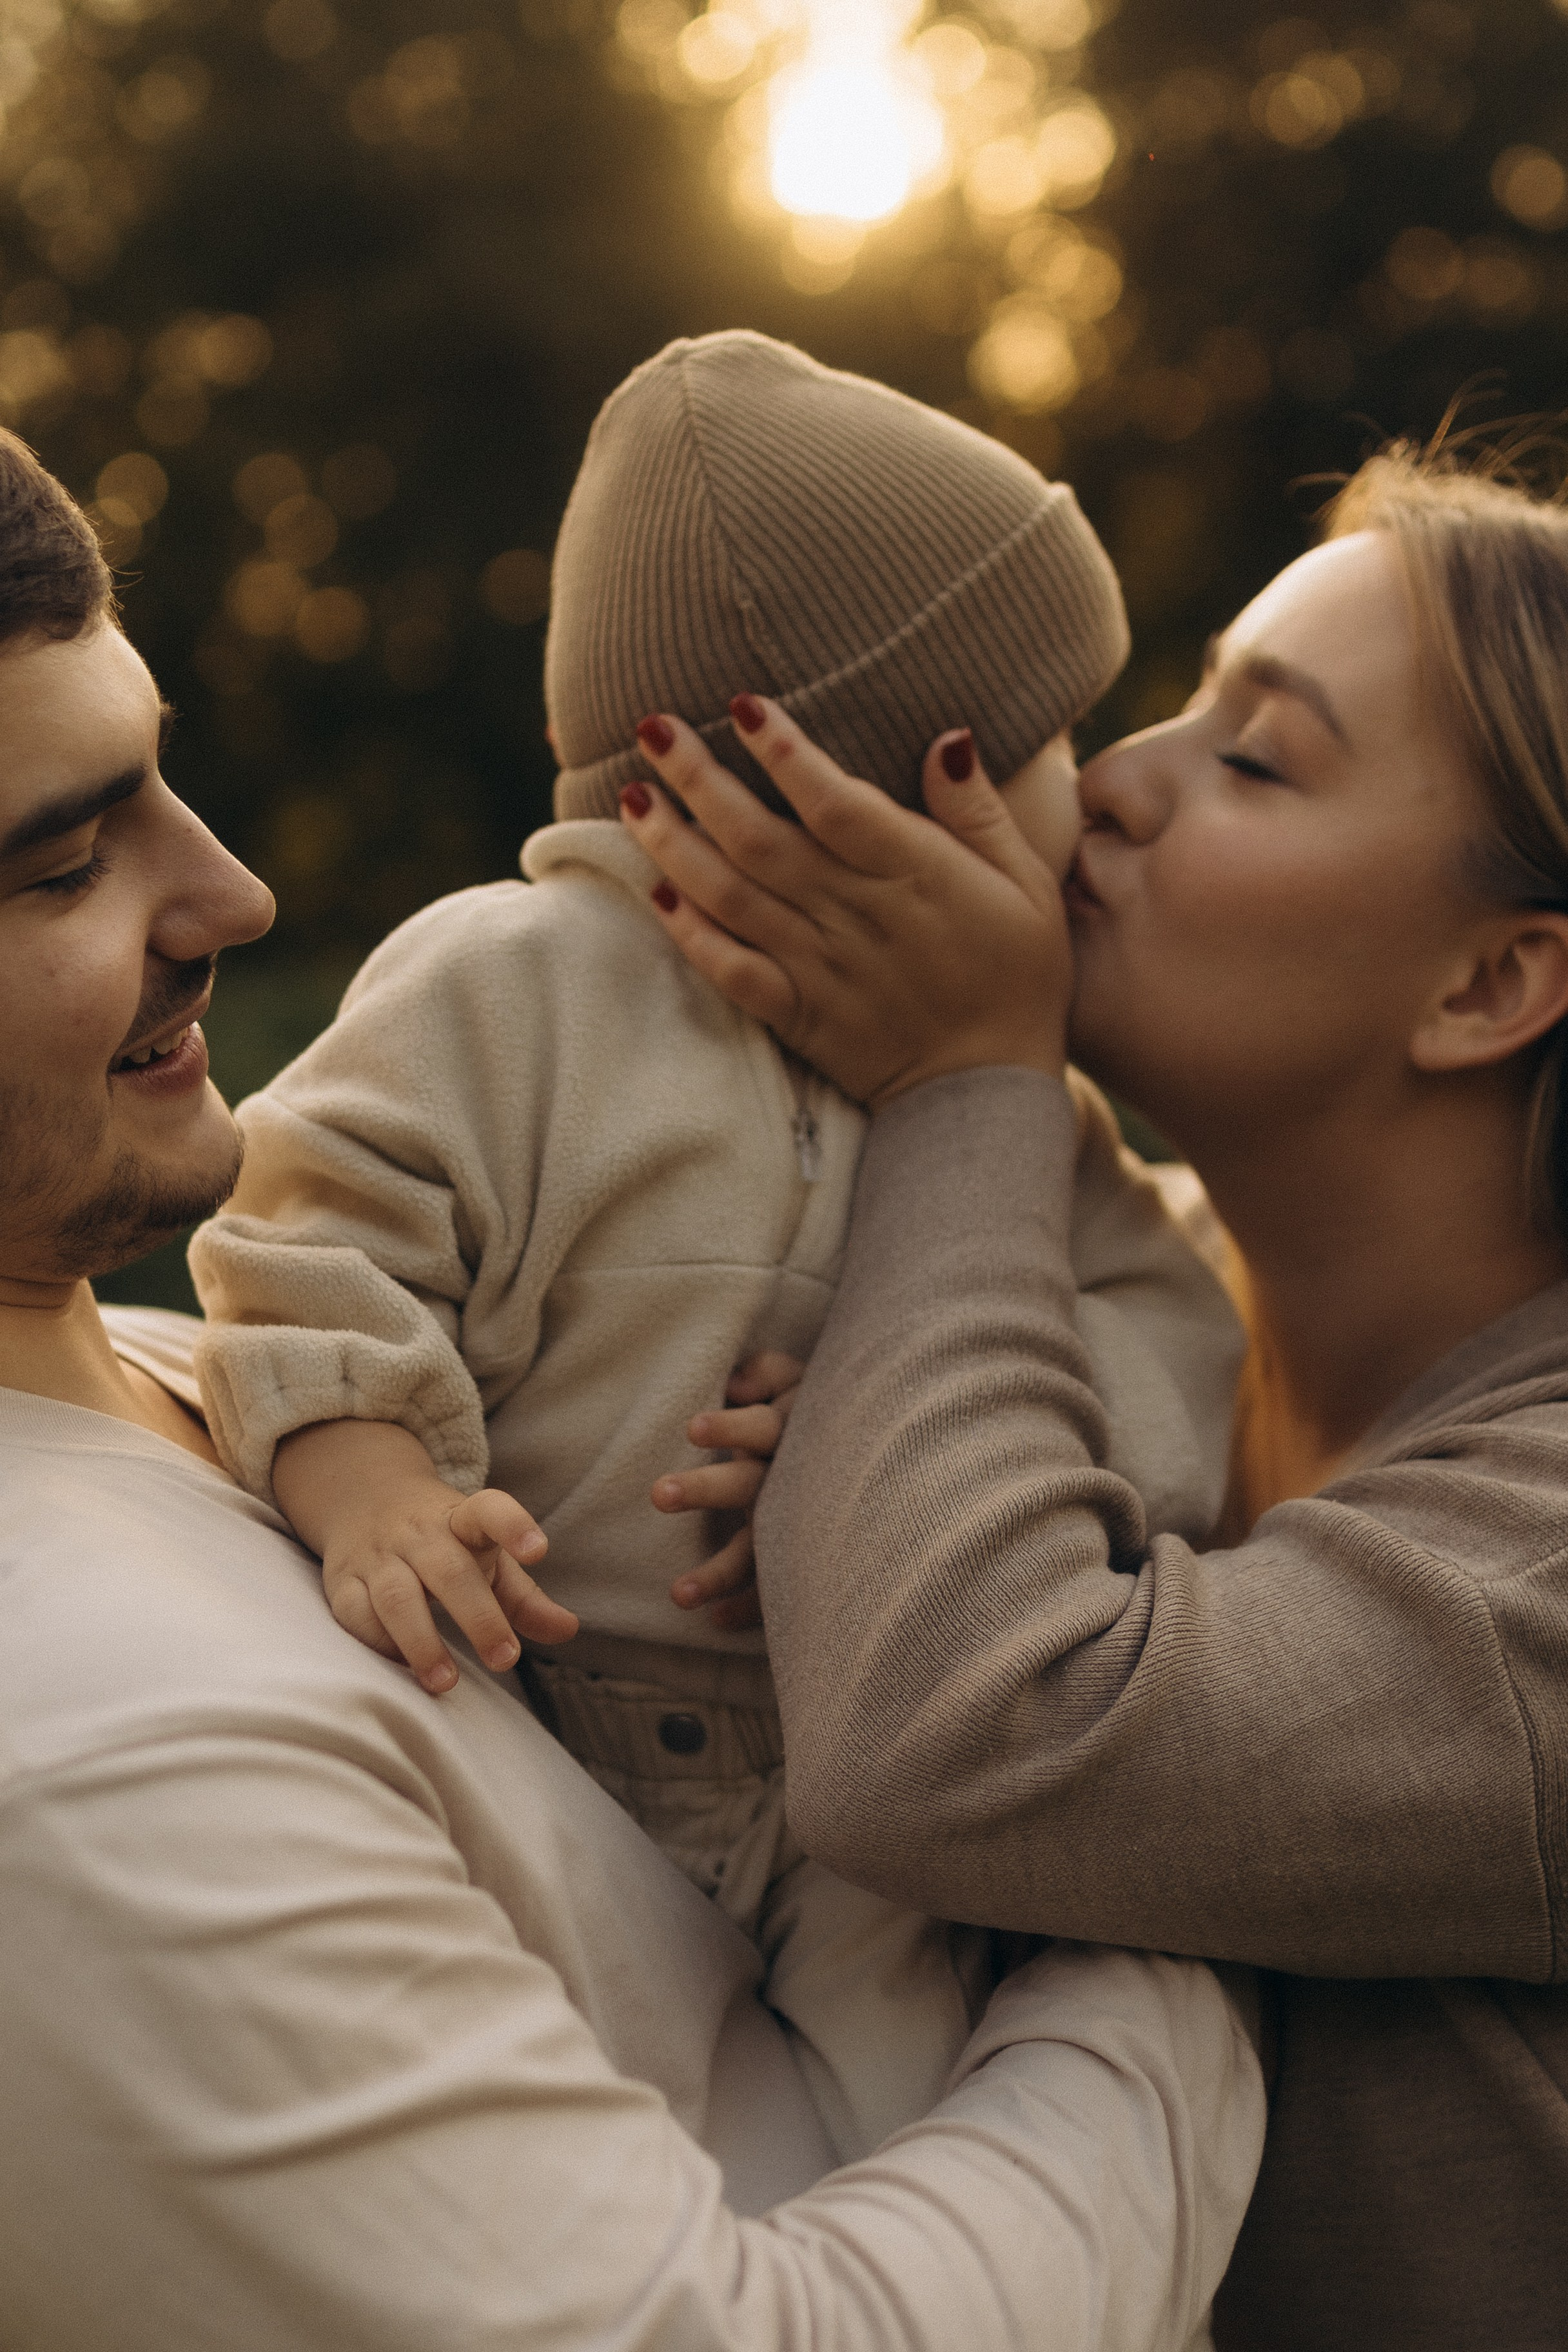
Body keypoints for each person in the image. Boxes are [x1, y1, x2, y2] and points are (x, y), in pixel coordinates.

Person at [0, 427, 1273, 2347]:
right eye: (61, 863)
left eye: (163, 785)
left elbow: (1145, 1303)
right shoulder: (81, 1760)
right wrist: (1197, 1868)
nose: (240, 895)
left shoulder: (168, 1390)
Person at [622, 438, 1568, 2352]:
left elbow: (960, 1723)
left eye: (1256, 758)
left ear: (1491, 983)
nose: (1111, 782)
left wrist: (971, 1076)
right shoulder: (1149, 1310)